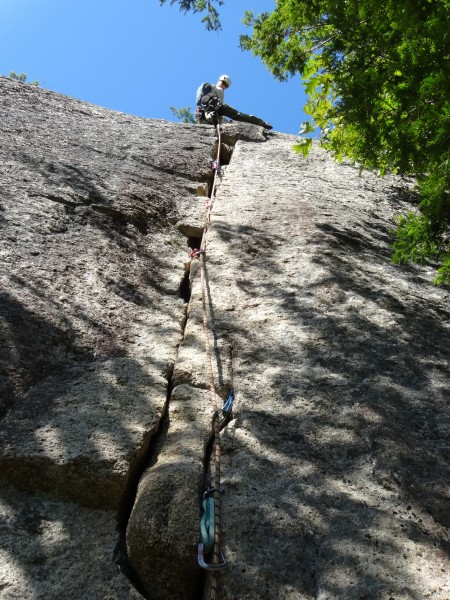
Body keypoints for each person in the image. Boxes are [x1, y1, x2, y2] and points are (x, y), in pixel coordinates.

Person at [195, 75, 273, 130]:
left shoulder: (221, 93)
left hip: (220, 107)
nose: (224, 86)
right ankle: (212, 117)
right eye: (223, 83)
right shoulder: (210, 86)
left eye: (226, 85)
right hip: (209, 106)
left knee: (238, 115)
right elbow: (200, 94)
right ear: (219, 81)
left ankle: (261, 123)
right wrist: (199, 106)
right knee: (211, 113)